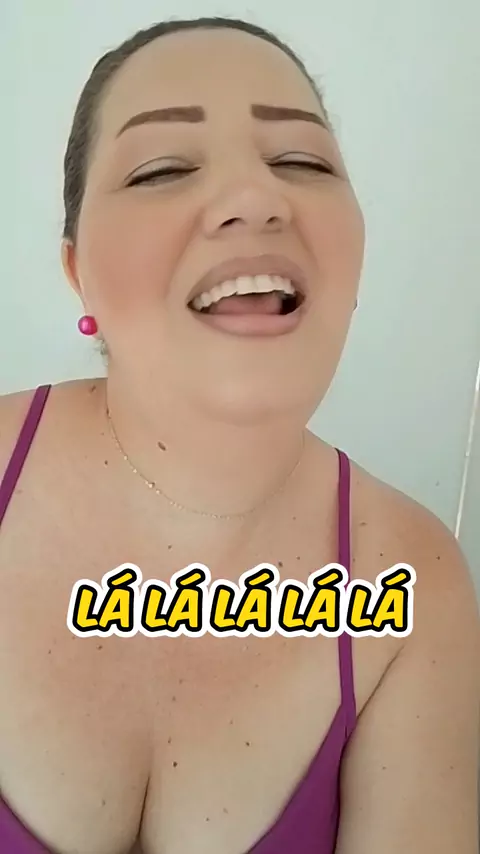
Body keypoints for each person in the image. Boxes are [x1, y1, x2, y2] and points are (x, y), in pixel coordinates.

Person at [0, 15, 478, 854]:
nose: (257, 198)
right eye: (162, 168)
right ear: (79, 273)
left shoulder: (419, 584)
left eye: (302, 161)